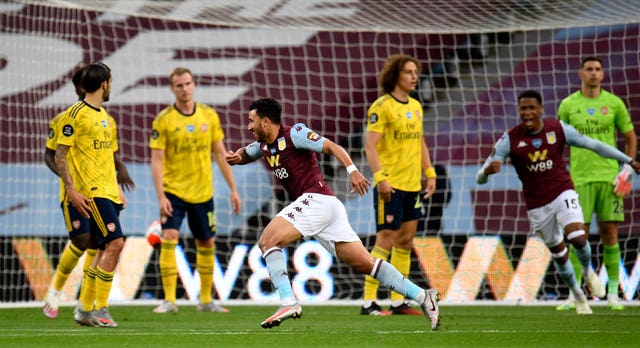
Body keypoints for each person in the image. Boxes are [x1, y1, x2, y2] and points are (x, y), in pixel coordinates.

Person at [225, 97, 440, 330]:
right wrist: (237, 157)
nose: (248, 127)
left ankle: (288, 302)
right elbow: (248, 152)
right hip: (327, 208)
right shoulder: (265, 145)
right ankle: (422, 296)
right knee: (364, 263)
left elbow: (332, 147)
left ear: (266, 122)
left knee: (268, 240)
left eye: (251, 121)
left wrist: (353, 171)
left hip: (317, 200)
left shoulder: (295, 133)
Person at [476, 90, 639, 314]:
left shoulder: (557, 129)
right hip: (537, 205)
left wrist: (628, 160)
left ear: (541, 109)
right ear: (519, 111)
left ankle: (588, 271)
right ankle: (578, 295)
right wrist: (487, 172)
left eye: (532, 107)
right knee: (559, 254)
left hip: (563, 192)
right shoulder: (509, 139)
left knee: (578, 237)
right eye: (523, 108)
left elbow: (593, 145)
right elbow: (480, 177)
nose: (527, 112)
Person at [42, 67, 135, 319]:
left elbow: (108, 158)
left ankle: (84, 307)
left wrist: (117, 186)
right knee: (91, 242)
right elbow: (55, 155)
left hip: (107, 191)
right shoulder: (70, 116)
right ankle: (84, 304)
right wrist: (70, 188)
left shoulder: (108, 118)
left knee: (98, 247)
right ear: (105, 84)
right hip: (84, 191)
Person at [149, 67, 241, 314]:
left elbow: (220, 154)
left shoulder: (208, 116)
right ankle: (169, 300)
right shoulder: (163, 120)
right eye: (179, 85)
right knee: (169, 237)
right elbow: (156, 160)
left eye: (188, 83)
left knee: (206, 241)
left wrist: (233, 189)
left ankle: (206, 300)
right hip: (174, 191)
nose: (185, 88)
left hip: (202, 192)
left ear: (194, 84)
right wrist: (160, 196)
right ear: (172, 89)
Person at [557, 56, 637, 311]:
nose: (593, 73)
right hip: (579, 178)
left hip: (609, 177)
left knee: (610, 234)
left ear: (602, 74)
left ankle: (613, 294)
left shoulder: (613, 103)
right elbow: (558, 141)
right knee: (578, 235)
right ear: (581, 73)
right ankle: (576, 295)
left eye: (598, 69)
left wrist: (627, 168)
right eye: (589, 69)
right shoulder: (568, 105)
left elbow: (630, 137)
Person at [361, 54, 437, 316]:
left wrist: (430, 172)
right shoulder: (381, 107)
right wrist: (380, 178)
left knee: (405, 241)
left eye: (416, 72)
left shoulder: (416, 106)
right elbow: (370, 146)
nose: (414, 77)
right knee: (386, 240)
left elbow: (420, 142)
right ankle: (369, 301)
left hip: (412, 184)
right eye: (409, 72)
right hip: (390, 185)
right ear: (396, 75)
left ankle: (399, 301)